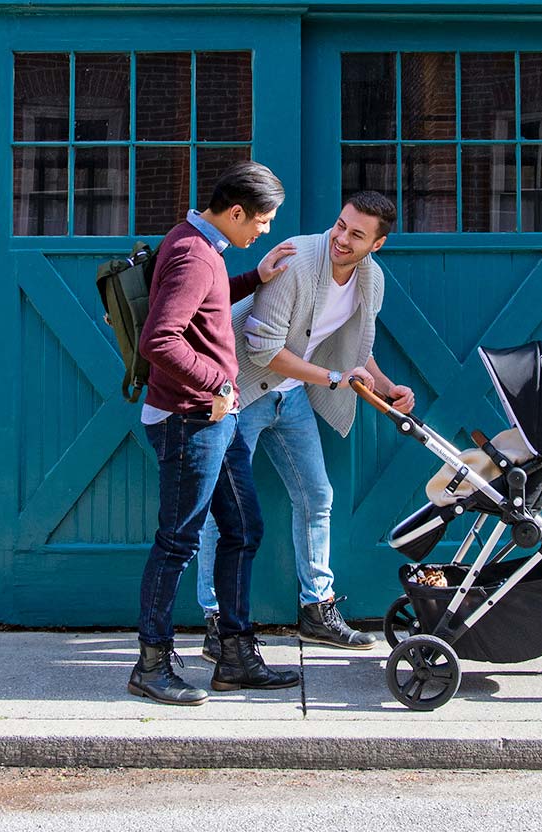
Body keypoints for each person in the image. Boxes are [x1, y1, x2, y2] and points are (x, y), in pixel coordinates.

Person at [197, 191, 415, 659]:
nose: (341, 237)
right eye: (340, 225)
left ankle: (316, 610)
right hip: (242, 390)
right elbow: (260, 350)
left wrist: (387, 388)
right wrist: (335, 378)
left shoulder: (371, 280)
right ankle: (216, 620)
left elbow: (358, 347)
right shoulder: (298, 260)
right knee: (225, 508)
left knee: (317, 496)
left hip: (290, 395)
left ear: (376, 244)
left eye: (356, 234)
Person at [128, 161, 299, 707]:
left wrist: (256, 279)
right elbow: (160, 339)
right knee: (177, 541)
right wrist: (217, 385)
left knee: (244, 528)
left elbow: (205, 304)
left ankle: (235, 657)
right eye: (263, 221)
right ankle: (151, 665)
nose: (264, 231)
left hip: (212, 421)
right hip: (189, 420)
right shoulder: (190, 253)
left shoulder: (202, 249)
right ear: (235, 212)